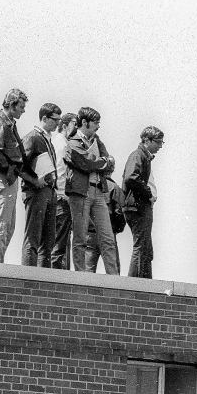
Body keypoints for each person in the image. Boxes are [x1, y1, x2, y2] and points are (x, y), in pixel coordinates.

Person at [64, 107, 119, 274]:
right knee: (80, 237)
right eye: (96, 123)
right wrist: (102, 162)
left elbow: (108, 160)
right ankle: (80, 276)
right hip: (81, 193)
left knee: (108, 238)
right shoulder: (72, 142)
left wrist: (101, 162)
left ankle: (114, 277)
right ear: (84, 122)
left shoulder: (97, 140)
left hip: (98, 192)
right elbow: (87, 163)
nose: (98, 126)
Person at [0, 88, 28, 263]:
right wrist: (9, 168)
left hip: (9, 178)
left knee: (9, 226)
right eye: (21, 107)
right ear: (12, 105)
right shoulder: (0, 123)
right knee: (2, 225)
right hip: (4, 178)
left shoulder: (9, 122)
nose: (23, 110)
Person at [20, 103, 62, 267]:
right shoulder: (33, 137)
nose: (58, 123)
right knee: (33, 238)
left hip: (50, 192)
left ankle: (42, 282)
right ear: (44, 118)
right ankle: (29, 279)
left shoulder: (47, 139)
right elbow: (19, 167)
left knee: (48, 241)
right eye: (55, 119)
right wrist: (34, 181)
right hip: (37, 192)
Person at [122, 126, 165, 279]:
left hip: (138, 207)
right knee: (141, 246)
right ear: (146, 140)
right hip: (138, 208)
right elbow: (131, 177)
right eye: (158, 142)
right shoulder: (138, 155)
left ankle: (143, 282)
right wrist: (148, 194)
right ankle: (135, 285)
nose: (160, 146)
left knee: (145, 247)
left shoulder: (143, 156)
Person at [51, 113, 78, 269]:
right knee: (59, 245)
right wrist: (63, 195)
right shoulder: (62, 144)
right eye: (74, 123)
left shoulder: (56, 142)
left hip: (57, 197)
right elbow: (60, 172)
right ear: (66, 124)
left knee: (58, 242)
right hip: (61, 198)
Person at [87, 175, 127, 272]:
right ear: (112, 170)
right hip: (108, 234)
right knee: (113, 272)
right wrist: (117, 229)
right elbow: (120, 213)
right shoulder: (114, 187)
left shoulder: (87, 186)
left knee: (86, 273)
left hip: (89, 234)